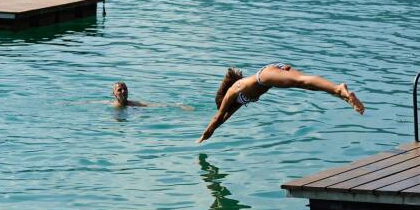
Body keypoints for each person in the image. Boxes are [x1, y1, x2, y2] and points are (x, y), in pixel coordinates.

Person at [196, 63, 364, 143]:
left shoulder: (232, 92)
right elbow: (224, 118)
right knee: (306, 86)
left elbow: (217, 118)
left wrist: (203, 136)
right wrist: (214, 131)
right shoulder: (237, 101)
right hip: (272, 72)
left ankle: (339, 89)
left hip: (264, 77)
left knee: (302, 81)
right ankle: (342, 95)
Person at [112, 81, 194, 110]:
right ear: (114, 94)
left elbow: (156, 105)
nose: (123, 91)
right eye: (119, 90)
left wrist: (178, 106)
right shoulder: (110, 104)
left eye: (125, 89)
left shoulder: (135, 104)